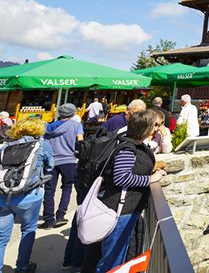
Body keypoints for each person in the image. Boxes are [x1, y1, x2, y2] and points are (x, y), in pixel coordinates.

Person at [88, 109, 166, 273]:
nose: (158, 128)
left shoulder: (134, 144)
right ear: (146, 127)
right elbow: (121, 177)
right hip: (120, 210)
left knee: (117, 257)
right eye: (155, 125)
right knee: (112, 260)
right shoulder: (128, 148)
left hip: (125, 209)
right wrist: (150, 179)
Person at [0, 117, 54, 273]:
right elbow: (50, 167)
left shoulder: (5, 146)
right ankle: (22, 267)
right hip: (30, 196)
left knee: (2, 237)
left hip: (4, 195)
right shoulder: (42, 145)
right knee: (28, 230)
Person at [41, 102, 84, 229]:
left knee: (49, 190)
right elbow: (80, 142)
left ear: (59, 113)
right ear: (73, 113)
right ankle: (60, 215)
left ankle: (48, 219)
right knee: (67, 187)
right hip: (68, 160)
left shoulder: (47, 126)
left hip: (51, 161)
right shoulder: (76, 125)